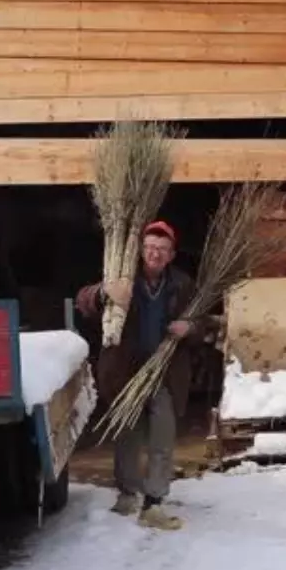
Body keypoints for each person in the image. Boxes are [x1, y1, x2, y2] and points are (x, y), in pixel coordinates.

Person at [75, 220, 216, 531]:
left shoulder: (182, 284)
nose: (155, 254)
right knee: (127, 434)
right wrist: (104, 292)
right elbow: (83, 301)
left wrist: (189, 328)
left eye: (162, 250)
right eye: (151, 247)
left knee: (162, 436)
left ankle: (154, 501)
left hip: (164, 372)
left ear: (171, 255)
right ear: (141, 250)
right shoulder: (122, 278)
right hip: (125, 372)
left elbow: (204, 322)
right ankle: (128, 494)